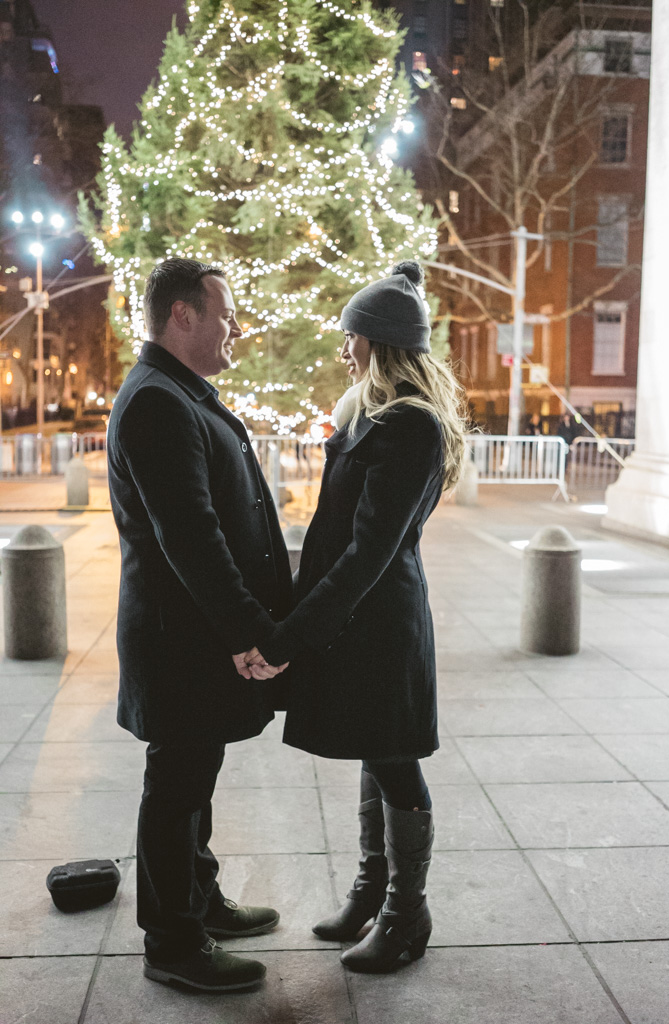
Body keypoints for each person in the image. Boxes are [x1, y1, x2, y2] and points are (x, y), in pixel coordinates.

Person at [245, 261, 468, 973]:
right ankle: (372, 891)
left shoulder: (410, 427)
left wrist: (292, 636)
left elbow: (369, 551)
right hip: (359, 619)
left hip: (381, 620)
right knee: (377, 747)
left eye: (353, 335)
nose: (344, 347)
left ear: (380, 341)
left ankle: (406, 915)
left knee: (395, 759)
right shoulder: (372, 415)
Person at [107, 258, 291, 993]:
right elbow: (192, 537)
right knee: (177, 785)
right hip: (178, 640)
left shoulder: (176, 391)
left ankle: (199, 899)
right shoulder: (157, 401)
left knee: (195, 776)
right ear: (182, 316)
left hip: (191, 637)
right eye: (226, 314)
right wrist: (249, 631)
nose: (235, 328)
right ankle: (173, 942)